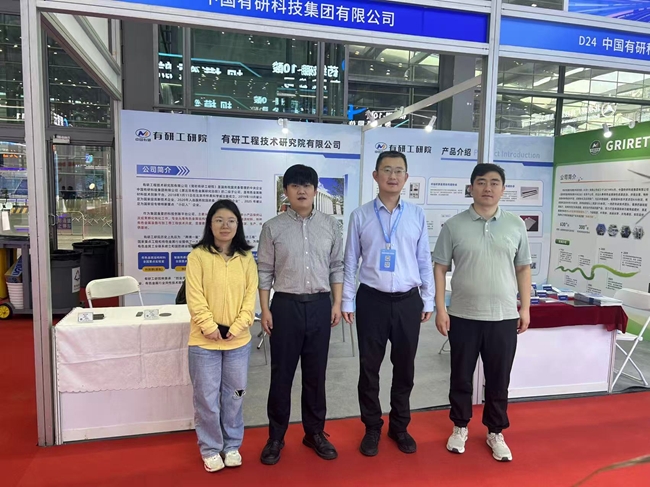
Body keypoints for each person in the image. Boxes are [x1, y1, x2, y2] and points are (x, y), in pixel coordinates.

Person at [432, 163, 532, 462]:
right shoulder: (454, 225)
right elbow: (440, 268)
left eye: (494, 182)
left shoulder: (516, 225)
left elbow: (523, 268)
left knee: (499, 378)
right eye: (481, 182)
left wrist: (525, 308)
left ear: (503, 188)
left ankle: (495, 431)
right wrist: (441, 308)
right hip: (463, 315)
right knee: (461, 376)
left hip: (503, 316)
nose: (488, 188)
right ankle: (460, 426)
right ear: (471, 187)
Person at [342, 151, 434, 457]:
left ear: (406, 177)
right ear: (375, 176)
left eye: (398, 171)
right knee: (369, 368)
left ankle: (399, 426)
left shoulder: (416, 215)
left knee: (404, 368)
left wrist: (428, 298)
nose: (392, 176)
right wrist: (347, 301)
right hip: (372, 300)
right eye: (386, 170)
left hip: (408, 301)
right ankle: (371, 427)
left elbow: (424, 259)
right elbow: (350, 261)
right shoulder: (360, 216)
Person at [257, 164, 344, 465]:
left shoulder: (331, 225)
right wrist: (265, 309)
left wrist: (336, 303)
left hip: (320, 304)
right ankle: (275, 437)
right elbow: (264, 271)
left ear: (316, 190)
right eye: (295, 185)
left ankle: (314, 432)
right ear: (286, 191)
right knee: (281, 375)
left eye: (307, 185)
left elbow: (337, 266)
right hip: (285, 306)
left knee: (316, 374)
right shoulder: (273, 227)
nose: (302, 191)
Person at [185, 199, 258, 473]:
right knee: (206, 397)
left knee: (235, 394)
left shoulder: (246, 258)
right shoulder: (197, 257)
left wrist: (237, 327)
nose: (225, 226)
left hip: (238, 342)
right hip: (204, 342)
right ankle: (210, 448)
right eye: (219, 220)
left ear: (238, 225)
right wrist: (209, 326)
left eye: (231, 221)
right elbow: (195, 296)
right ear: (210, 224)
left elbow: (250, 298)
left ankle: (232, 445)